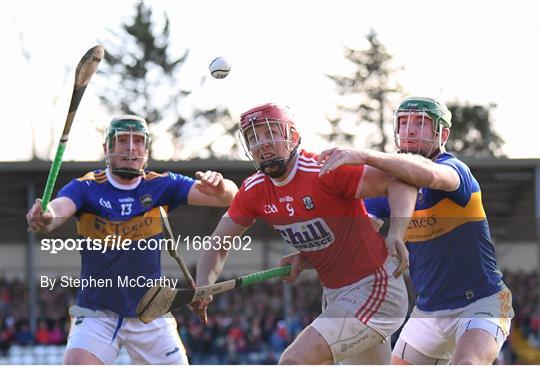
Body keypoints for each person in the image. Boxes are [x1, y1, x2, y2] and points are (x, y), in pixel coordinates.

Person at [192, 103, 418, 364]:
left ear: (293, 138)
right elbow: (218, 244)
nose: (261, 143)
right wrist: (204, 286)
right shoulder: (253, 190)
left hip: (376, 287)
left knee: (293, 361)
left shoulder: (324, 170)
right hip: (336, 295)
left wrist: (397, 232)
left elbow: (399, 180)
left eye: (270, 133)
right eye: (253, 137)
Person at [26, 115, 238, 365]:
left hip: (150, 309)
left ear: (145, 149)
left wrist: (221, 187)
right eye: (122, 140)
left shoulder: (162, 185)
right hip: (97, 311)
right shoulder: (86, 187)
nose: (130, 147)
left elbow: (229, 197)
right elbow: (58, 210)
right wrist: (45, 216)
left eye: (137, 140)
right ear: (107, 149)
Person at [317, 96, 515, 364]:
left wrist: (363, 156)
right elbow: (356, 236)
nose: (409, 130)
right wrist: (310, 256)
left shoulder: (455, 171)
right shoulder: (387, 187)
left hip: (481, 303)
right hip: (428, 311)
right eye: (403, 122)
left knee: (467, 363)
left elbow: (428, 175)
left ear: (442, 133)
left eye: (420, 123)